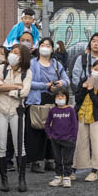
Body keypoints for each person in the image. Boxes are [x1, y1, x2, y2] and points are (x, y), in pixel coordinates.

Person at [0, 43, 31, 192]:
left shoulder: (27, 72)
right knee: (1, 144)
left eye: (17, 53)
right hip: (0, 108)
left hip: (17, 110)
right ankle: (4, 179)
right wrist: (16, 87)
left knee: (19, 144)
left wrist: (9, 90)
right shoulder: (1, 68)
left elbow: (25, 91)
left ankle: (22, 179)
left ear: (23, 57)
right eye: (12, 52)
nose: (13, 55)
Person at [25, 38, 68, 173]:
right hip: (37, 100)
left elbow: (67, 80)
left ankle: (50, 159)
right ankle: (35, 161)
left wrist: (61, 83)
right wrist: (45, 85)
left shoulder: (56, 64)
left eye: (48, 45)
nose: (45, 47)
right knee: (36, 131)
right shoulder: (32, 63)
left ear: (52, 48)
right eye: (42, 45)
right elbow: (29, 82)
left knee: (52, 129)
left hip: (53, 98)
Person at [73, 58, 98, 182]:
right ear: (91, 69)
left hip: (97, 117)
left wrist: (91, 91)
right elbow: (77, 99)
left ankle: (95, 171)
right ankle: (75, 169)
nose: (97, 72)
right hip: (82, 115)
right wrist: (84, 89)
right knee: (80, 142)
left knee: (97, 143)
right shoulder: (84, 80)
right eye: (95, 69)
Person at [45, 87, 78, 188]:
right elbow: (47, 124)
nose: (60, 98)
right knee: (57, 159)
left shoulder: (70, 110)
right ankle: (58, 176)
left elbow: (75, 125)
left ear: (66, 97)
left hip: (68, 139)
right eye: (57, 96)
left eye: (62, 96)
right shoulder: (52, 110)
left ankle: (67, 177)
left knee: (68, 159)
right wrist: (49, 135)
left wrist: (73, 137)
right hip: (55, 139)